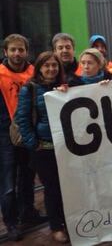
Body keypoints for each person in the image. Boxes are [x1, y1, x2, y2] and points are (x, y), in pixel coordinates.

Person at [14, 51, 68, 243]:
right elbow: (23, 119)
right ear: (39, 68)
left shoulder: (65, 86)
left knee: (67, 187)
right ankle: (56, 226)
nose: (51, 69)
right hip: (43, 149)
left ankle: (68, 221)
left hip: (65, 147)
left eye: (55, 65)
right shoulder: (29, 89)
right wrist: (33, 143)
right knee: (52, 188)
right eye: (47, 66)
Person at [0, 34, 42, 241]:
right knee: (8, 180)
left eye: (21, 50)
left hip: (28, 131)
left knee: (27, 176)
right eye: (13, 50)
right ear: (5, 52)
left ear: (27, 51)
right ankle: (11, 222)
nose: (17, 54)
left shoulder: (34, 73)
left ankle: (28, 212)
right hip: (4, 134)